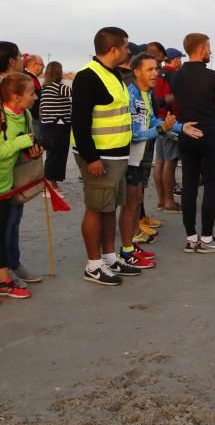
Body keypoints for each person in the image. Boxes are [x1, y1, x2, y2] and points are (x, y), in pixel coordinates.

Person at [72, 27, 142, 285]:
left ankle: (110, 257)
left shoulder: (113, 75)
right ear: (114, 49)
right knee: (95, 208)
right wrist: (91, 158)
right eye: (125, 46)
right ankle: (93, 265)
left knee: (109, 207)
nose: (128, 51)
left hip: (117, 155)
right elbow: (79, 122)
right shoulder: (88, 77)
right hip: (100, 156)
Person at [121, 53, 203, 268]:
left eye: (156, 68)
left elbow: (152, 120)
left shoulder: (146, 94)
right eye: (149, 69)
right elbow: (135, 134)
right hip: (127, 158)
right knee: (129, 205)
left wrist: (179, 126)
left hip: (137, 158)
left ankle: (129, 247)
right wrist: (161, 129)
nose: (155, 73)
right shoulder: (131, 95)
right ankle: (125, 251)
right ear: (136, 71)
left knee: (135, 202)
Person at [171, 33, 215, 253]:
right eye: (208, 47)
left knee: (189, 186)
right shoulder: (212, 76)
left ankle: (191, 238)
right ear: (201, 48)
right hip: (207, 132)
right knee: (212, 185)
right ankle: (206, 238)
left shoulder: (176, 76)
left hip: (186, 131)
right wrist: (214, 104)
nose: (211, 52)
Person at [0, 73, 43, 299]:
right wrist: (24, 142)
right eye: (31, 93)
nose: (35, 97)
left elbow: (26, 144)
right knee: (3, 230)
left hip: (11, 182)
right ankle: (4, 279)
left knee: (12, 225)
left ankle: (10, 269)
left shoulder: (25, 114)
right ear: (16, 97)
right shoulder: (1, 116)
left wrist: (34, 150)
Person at [152, 47, 184, 213]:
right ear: (176, 59)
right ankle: (169, 202)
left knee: (160, 161)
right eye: (180, 58)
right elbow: (177, 97)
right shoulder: (174, 75)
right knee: (170, 162)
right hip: (170, 118)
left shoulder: (158, 73)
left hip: (158, 118)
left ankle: (161, 200)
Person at [39, 61, 73, 191]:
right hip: (58, 126)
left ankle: (51, 183)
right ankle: (50, 186)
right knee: (56, 156)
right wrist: (72, 78)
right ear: (58, 72)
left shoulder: (46, 87)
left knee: (52, 155)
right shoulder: (59, 87)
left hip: (48, 126)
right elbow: (77, 92)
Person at [23, 54, 44, 120]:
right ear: (34, 65)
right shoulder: (26, 78)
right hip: (30, 117)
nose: (44, 67)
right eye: (42, 64)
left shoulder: (31, 77)